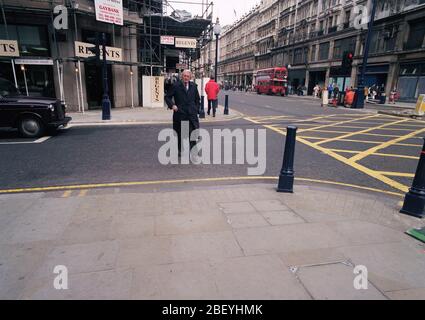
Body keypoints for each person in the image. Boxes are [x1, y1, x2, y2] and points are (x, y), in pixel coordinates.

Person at [165, 69, 201, 156]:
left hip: (191, 114)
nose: (186, 78)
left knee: (192, 132)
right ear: (182, 76)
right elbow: (167, 97)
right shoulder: (176, 85)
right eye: (184, 76)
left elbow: (197, 99)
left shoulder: (193, 86)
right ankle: (180, 150)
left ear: (190, 77)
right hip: (180, 113)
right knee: (181, 133)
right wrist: (172, 105)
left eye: (188, 76)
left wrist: (196, 109)